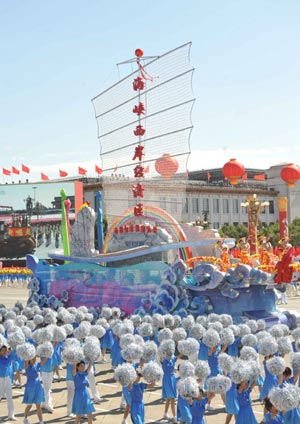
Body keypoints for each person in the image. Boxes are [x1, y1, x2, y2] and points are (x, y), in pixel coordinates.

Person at [23, 356, 46, 424]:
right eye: (32, 359)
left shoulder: (37, 365)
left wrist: (48, 352)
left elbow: (44, 360)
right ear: (29, 360)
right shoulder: (27, 366)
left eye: (35, 358)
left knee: (38, 405)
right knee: (29, 405)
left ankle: (41, 421)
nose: (34, 360)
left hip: (38, 386)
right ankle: (25, 418)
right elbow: (26, 360)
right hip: (30, 387)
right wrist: (28, 354)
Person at [0, 345, 15, 421]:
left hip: (8, 379)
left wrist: (12, 345)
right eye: (2, 350)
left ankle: (11, 415)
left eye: (5, 350)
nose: (4, 352)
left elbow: (14, 352)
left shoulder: (9, 357)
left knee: (9, 397)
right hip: (0, 379)